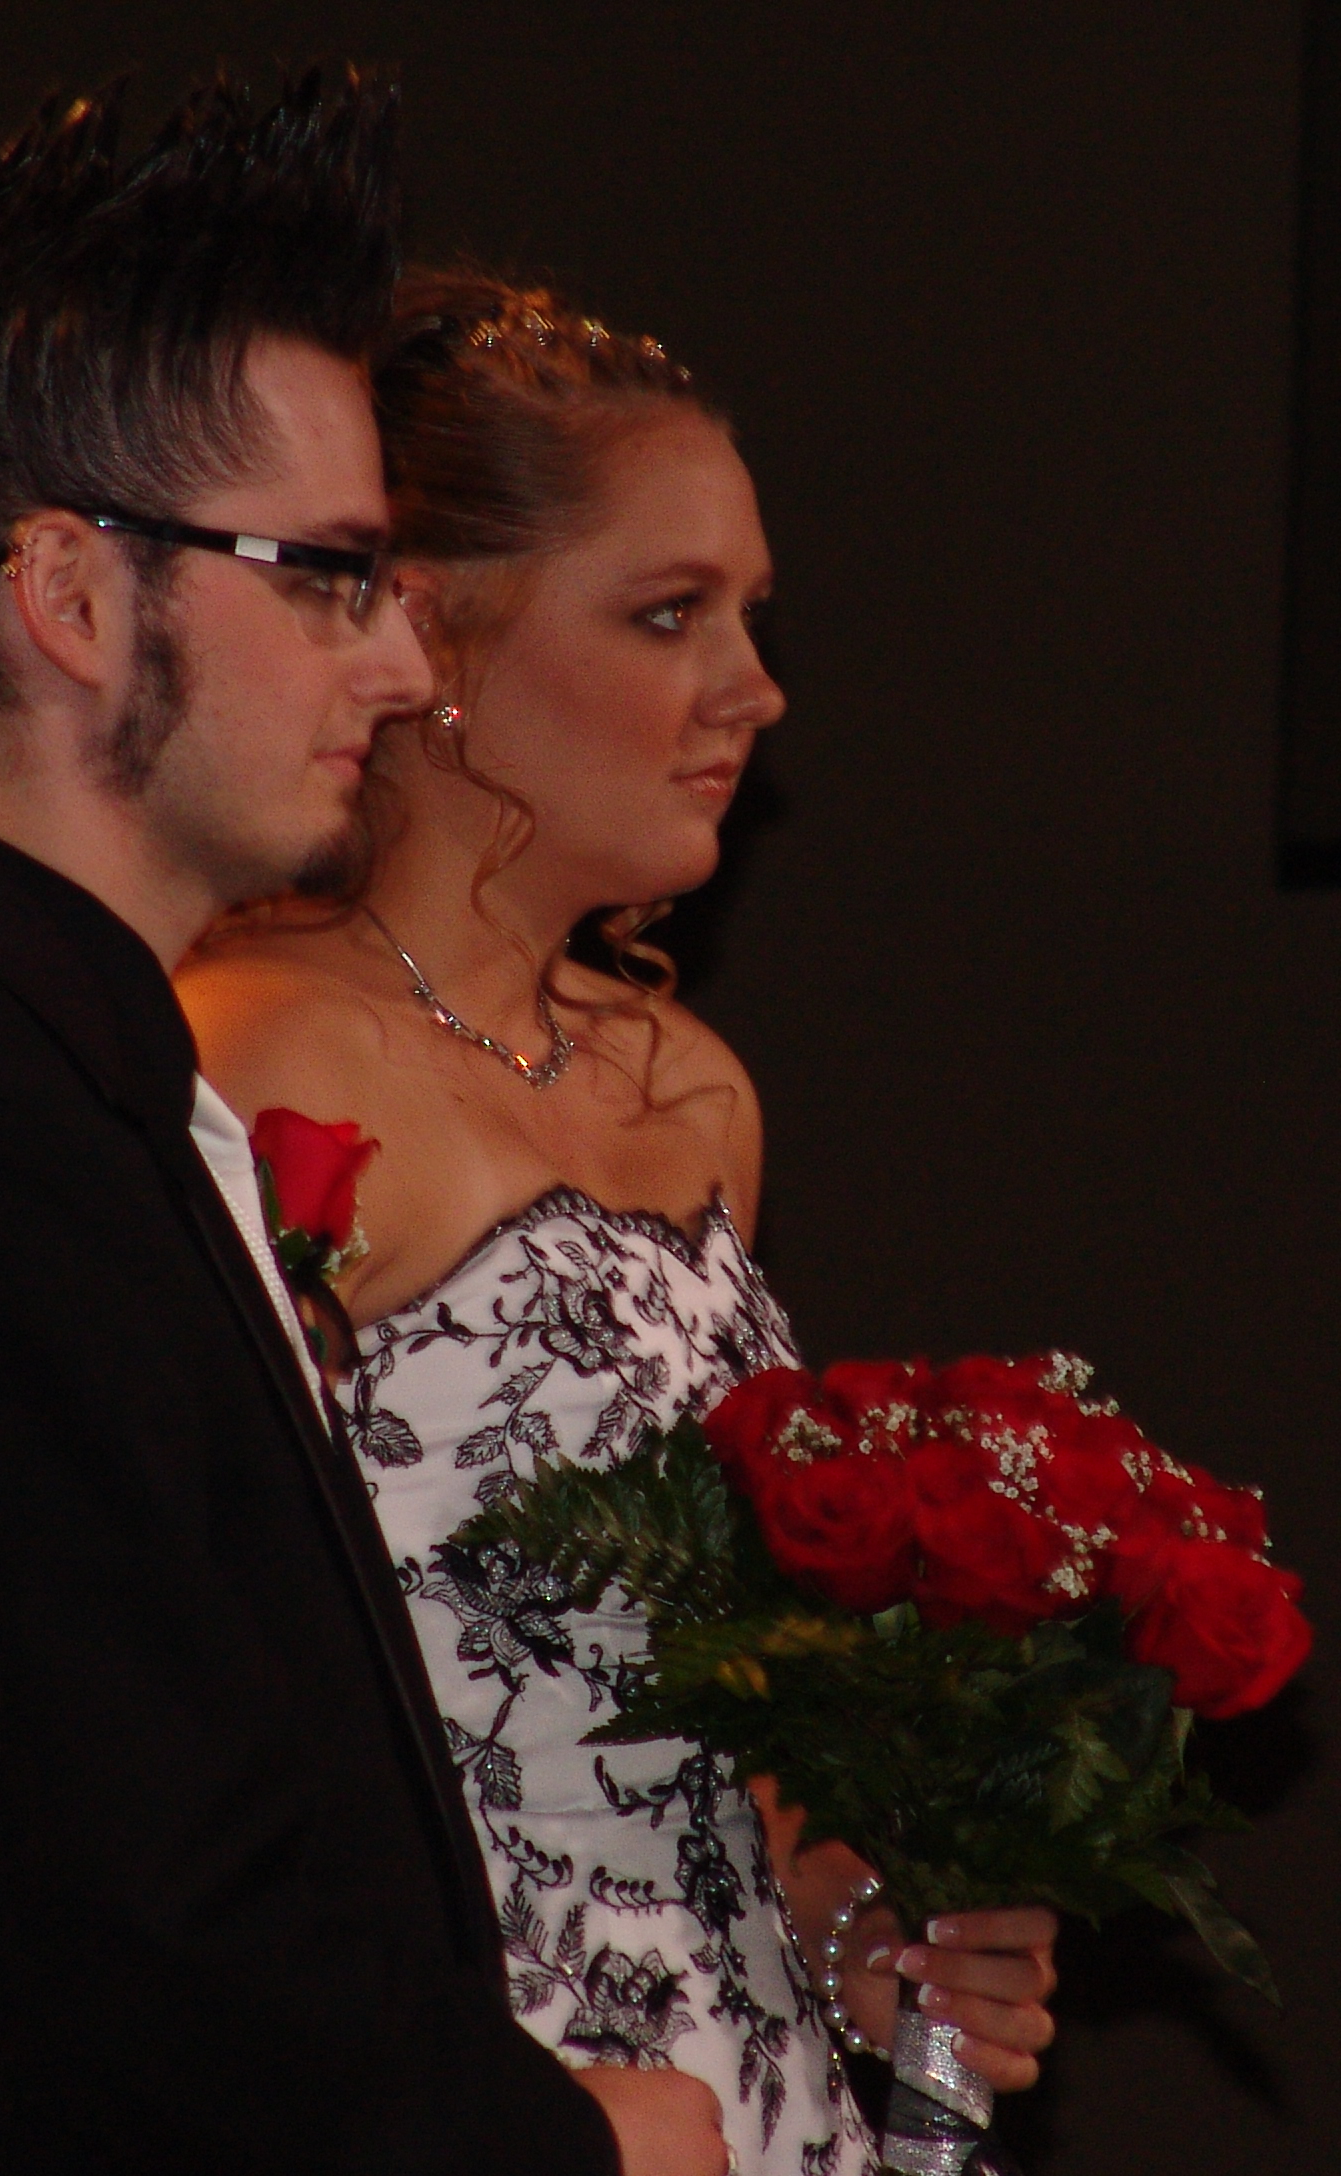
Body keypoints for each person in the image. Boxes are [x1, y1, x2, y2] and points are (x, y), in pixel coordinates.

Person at [0, 75, 697, 2176]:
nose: (398, 666)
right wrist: (576, 2151)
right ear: (72, 596)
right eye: (332, 575)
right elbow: (141, 1976)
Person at [178, 271, 1066, 2173]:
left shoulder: (696, 1092)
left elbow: (706, 1730)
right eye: (670, 614)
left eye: (750, 613)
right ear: (431, 634)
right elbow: (184, 1728)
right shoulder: (253, 1062)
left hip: (756, 2106)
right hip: (466, 2100)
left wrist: (850, 1928)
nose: (754, 687)